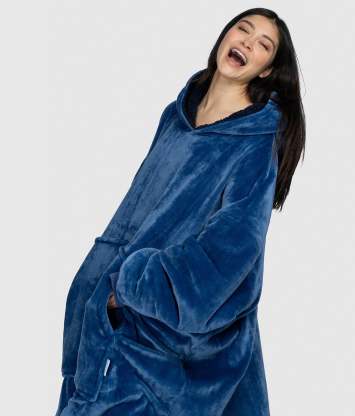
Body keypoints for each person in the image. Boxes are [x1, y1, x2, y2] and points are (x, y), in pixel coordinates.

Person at [55, 7, 305, 416]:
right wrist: (93, 286)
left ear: (265, 70)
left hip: (170, 341)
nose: (247, 42)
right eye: (243, 29)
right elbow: (134, 214)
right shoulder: (176, 117)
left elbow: (234, 249)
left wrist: (137, 284)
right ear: (225, 35)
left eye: (263, 45)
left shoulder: (255, 143)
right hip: (112, 320)